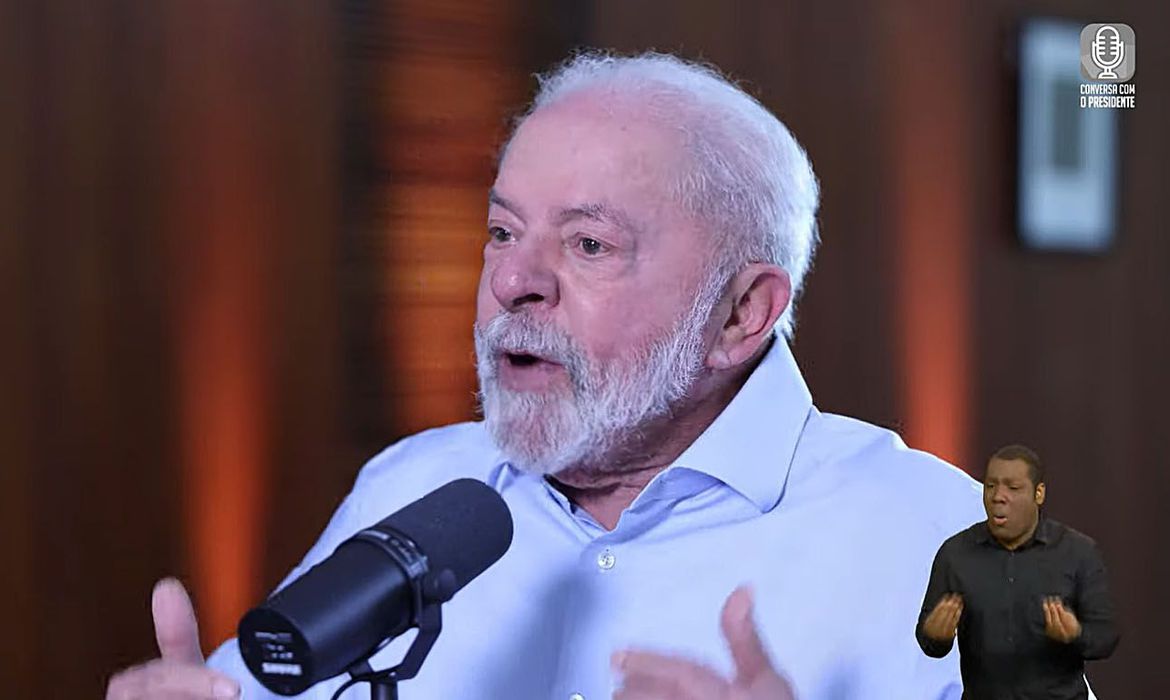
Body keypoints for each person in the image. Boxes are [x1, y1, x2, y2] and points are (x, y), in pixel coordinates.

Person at [106, 51, 986, 700]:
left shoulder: (941, 543)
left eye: (589, 244)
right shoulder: (411, 486)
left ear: (740, 313)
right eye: (502, 232)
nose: (512, 280)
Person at [916, 445, 1120, 699]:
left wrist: (1076, 635)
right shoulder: (955, 554)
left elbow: (1106, 637)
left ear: (1039, 493)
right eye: (991, 486)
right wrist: (936, 636)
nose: (998, 497)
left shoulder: (1078, 553)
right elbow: (929, 642)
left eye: (1012, 488)